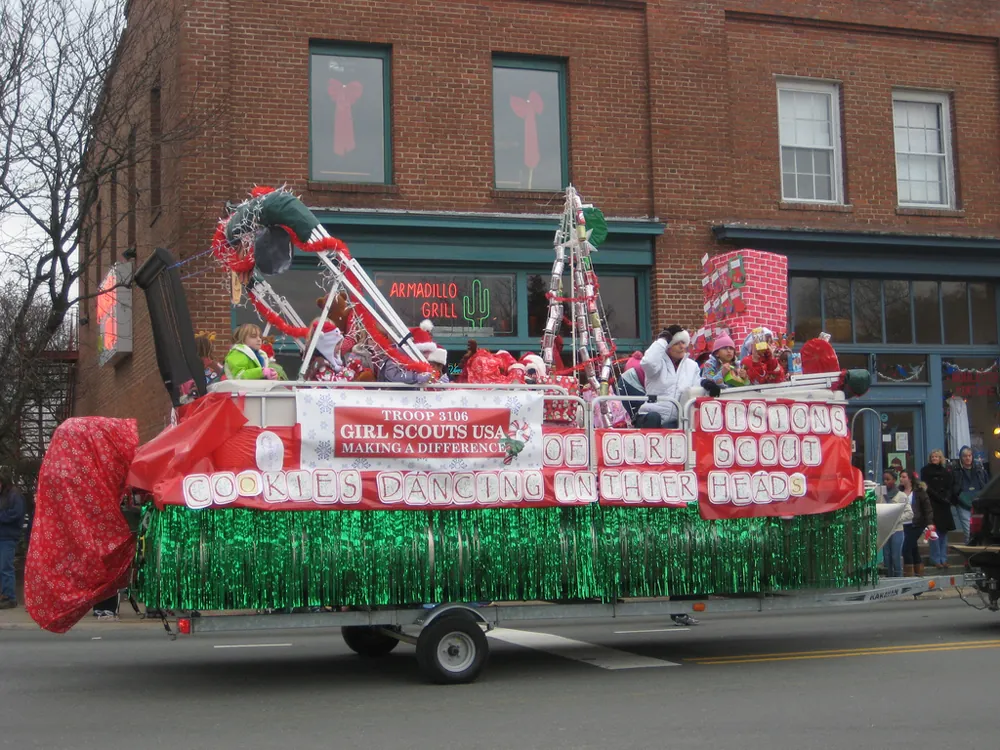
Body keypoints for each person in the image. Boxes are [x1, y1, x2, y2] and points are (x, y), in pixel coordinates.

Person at [636, 326, 702, 429]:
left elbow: (695, 391)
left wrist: (705, 385)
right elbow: (648, 362)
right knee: (654, 418)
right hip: (650, 416)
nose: (681, 347)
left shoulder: (692, 366)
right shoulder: (658, 363)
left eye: (683, 343)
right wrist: (663, 339)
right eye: (676, 343)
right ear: (668, 347)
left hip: (677, 421)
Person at [920, 449, 956, 569]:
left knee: (943, 533)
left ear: (940, 458)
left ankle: (943, 558)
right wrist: (939, 497)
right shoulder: (926, 471)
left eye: (936, 456)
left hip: (944, 505)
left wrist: (947, 498)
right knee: (934, 533)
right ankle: (935, 559)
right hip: (933, 504)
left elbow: (950, 486)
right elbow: (926, 487)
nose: (934, 458)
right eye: (932, 457)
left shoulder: (946, 471)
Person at [0, 468, 26, 610]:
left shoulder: (14, 495)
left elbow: (16, 514)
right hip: (3, 534)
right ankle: (5, 595)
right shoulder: (5, 494)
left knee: (5, 567)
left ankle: (10, 597)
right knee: (3, 567)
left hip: (8, 536)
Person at [952, 445, 988, 542]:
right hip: (962, 503)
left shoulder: (979, 469)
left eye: (969, 455)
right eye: (965, 456)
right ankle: (970, 554)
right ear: (961, 458)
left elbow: (985, 483)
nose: (967, 458)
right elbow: (953, 487)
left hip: (978, 503)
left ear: (972, 456)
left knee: (980, 530)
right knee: (969, 532)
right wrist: (959, 496)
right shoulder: (956, 470)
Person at [899, 470, 932, 577]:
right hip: (904, 523)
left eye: (904, 477)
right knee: (913, 549)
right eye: (900, 477)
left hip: (917, 523)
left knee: (906, 549)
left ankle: (908, 575)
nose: (901, 479)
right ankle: (919, 573)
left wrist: (929, 522)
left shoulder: (919, 492)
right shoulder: (899, 491)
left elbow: (927, 508)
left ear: (909, 479)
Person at [880, 470, 911, 577]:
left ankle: (898, 578)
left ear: (894, 480)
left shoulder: (901, 495)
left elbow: (910, 513)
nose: (885, 482)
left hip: (897, 530)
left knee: (895, 556)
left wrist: (896, 519)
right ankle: (889, 578)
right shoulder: (880, 495)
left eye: (888, 479)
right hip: (885, 530)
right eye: (884, 479)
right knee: (887, 557)